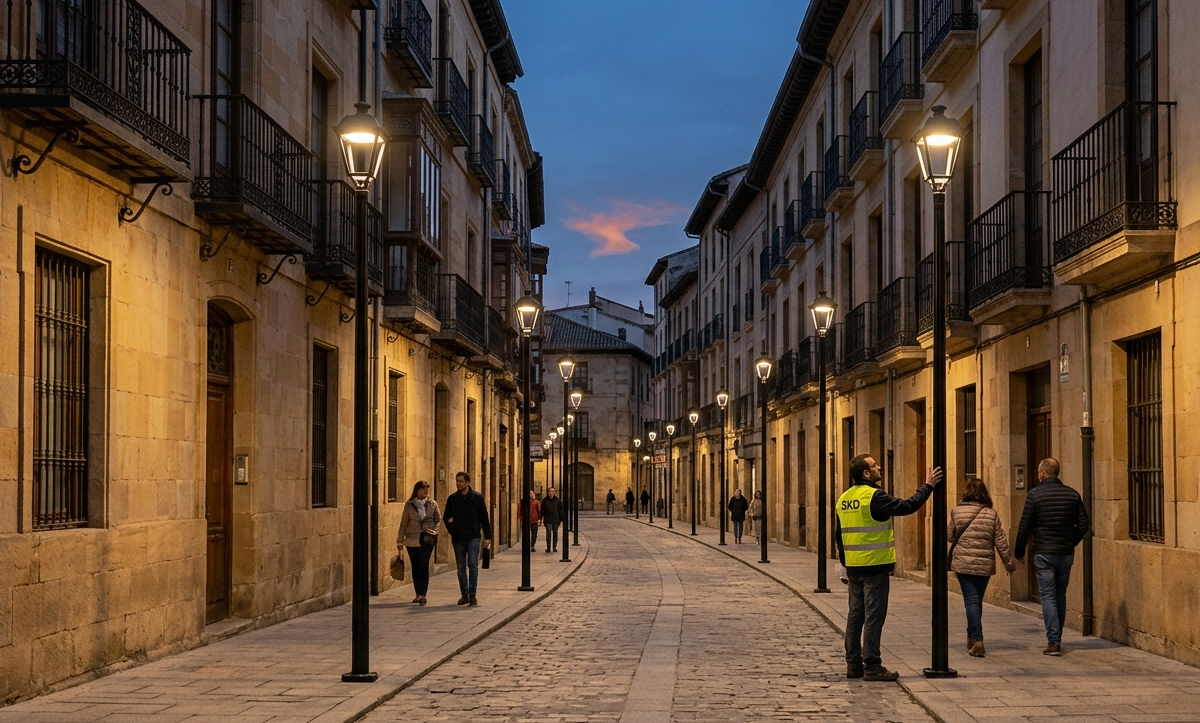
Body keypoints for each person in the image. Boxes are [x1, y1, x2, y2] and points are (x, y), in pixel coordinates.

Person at [835, 454, 942, 681]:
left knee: (855, 617)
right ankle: (872, 666)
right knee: (873, 617)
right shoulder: (874, 495)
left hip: (854, 567)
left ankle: (853, 665)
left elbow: (839, 536)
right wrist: (928, 486)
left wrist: (845, 565)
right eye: (874, 466)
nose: (879, 467)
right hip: (874, 566)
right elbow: (907, 506)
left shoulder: (844, 498)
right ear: (866, 473)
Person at [1014, 457, 1089, 656]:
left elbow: (1025, 526)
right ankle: (1058, 637)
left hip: (1044, 552)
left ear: (1043, 473)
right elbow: (1083, 526)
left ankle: (1053, 641)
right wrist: (1070, 541)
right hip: (1065, 553)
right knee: (1059, 594)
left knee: (1047, 595)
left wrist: (1019, 551)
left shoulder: (1034, 495)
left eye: (1039, 472)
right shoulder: (1072, 495)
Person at [949, 478, 1016, 658]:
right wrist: (1008, 563)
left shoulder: (956, 512)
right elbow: (1000, 541)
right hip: (984, 564)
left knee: (971, 601)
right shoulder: (991, 514)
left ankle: (977, 640)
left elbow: (950, 536)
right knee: (976, 600)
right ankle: (972, 636)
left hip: (963, 564)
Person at [443, 472, 492, 606]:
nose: (458, 484)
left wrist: (488, 536)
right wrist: (452, 530)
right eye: (457, 481)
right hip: (458, 538)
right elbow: (446, 517)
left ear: (468, 482)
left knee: (473, 565)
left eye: (461, 481)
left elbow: (484, 517)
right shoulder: (452, 499)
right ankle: (464, 594)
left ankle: (472, 594)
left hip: (473, 537)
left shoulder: (477, 498)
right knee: (460, 566)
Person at [397, 480, 440, 606]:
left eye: (427, 488)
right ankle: (418, 593)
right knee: (416, 566)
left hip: (427, 539)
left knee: (423, 563)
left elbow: (438, 519)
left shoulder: (432, 504)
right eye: (423, 488)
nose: (426, 490)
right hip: (412, 539)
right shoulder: (409, 505)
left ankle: (423, 594)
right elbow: (403, 523)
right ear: (417, 490)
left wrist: (433, 530)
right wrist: (400, 540)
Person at [541, 487, 564, 553]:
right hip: (547, 519)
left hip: (556, 520)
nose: (551, 493)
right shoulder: (545, 500)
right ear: (548, 492)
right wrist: (540, 518)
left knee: (555, 533)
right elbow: (542, 510)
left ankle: (554, 547)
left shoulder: (558, 500)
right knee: (548, 532)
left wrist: (562, 520)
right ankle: (548, 547)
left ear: (554, 492)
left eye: (552, 491)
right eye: (550, 491)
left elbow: (560, 511)